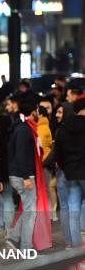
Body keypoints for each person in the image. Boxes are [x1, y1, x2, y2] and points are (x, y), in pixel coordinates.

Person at [7, 99, 50, 251]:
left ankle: (14, 237)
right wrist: (26, 177)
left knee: (28, 210)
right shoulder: (24, 130)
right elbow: (21, 154)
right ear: (33, 112)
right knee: (31, 213)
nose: (39, 113)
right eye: (38, 110)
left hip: (17, 174)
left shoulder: (19, 127)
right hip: (23, 175)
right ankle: (25, 247)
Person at [54, 98, 85, 247]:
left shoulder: (63, 128)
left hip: (71, 174)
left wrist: (66, 168)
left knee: (73, 209)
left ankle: (76, 248)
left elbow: (58, 155)